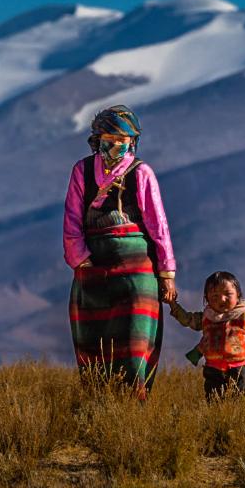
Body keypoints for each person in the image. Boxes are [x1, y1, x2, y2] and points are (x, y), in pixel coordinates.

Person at [64, 105, 177, 399]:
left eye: (121, 139)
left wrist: (166, 274)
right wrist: (82, 262)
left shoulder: (141, 173)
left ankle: (132, 408)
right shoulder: (82, 171)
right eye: (107, 138)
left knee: (134, 341)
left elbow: (158, 225)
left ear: (132, 142)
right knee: (94, 343)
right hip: (92, 272)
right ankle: (99, 405)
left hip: (136, 274)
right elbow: (72, 221)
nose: (114, 145)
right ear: (96, 139)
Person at [168, 271, 245, 400]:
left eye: (228, 294)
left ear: (238, 295)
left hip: (241, 368)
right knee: (214, 401)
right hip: (213, 369)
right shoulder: (207, 316)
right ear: (207, 299)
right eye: (215, 296)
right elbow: (187, 319)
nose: (222, 299)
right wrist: (173, 304)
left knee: (242, 401)